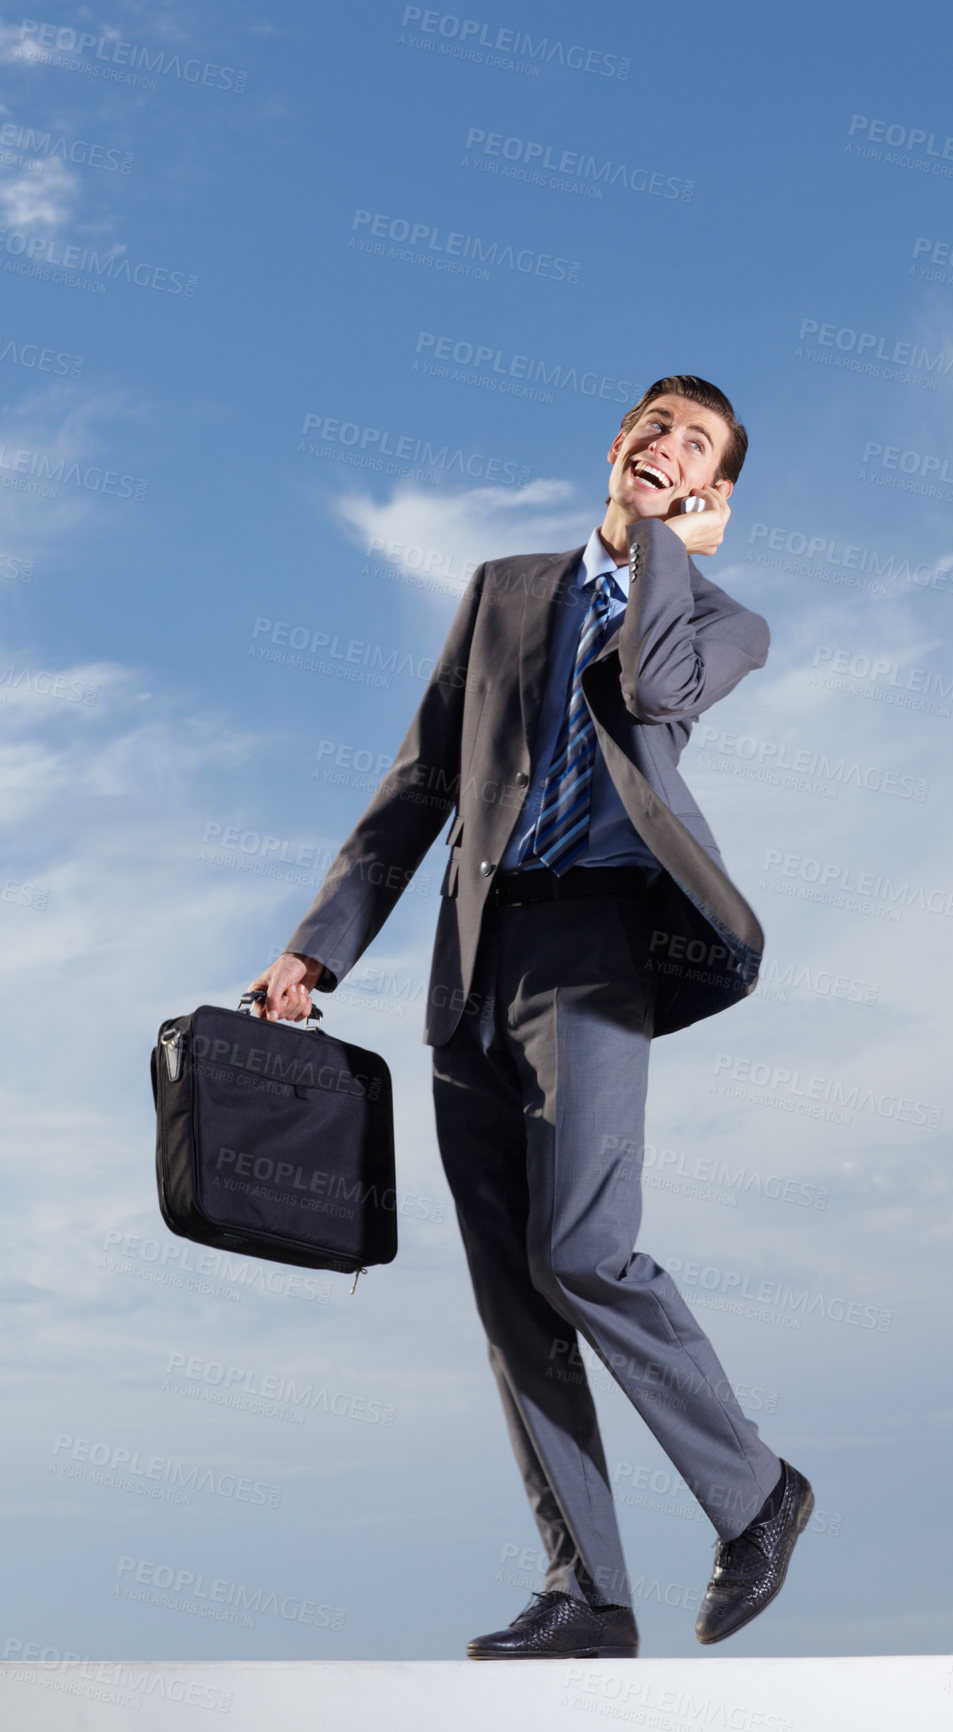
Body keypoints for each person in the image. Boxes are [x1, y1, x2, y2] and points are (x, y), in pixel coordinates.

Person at [248, 375, 813, 1659]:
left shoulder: (726, 621)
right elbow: (416, 786)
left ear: (713, 494)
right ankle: (588, 1595)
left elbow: (656, 692)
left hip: (599, 948)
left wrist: (657, 546)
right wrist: (314, 949)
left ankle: (757, 1492)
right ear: (614, 441)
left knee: (583, 1247)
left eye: (693, 448)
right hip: (472, 958)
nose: (661, 447)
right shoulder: (502, 590)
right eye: (651, 426)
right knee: (512, 1291)